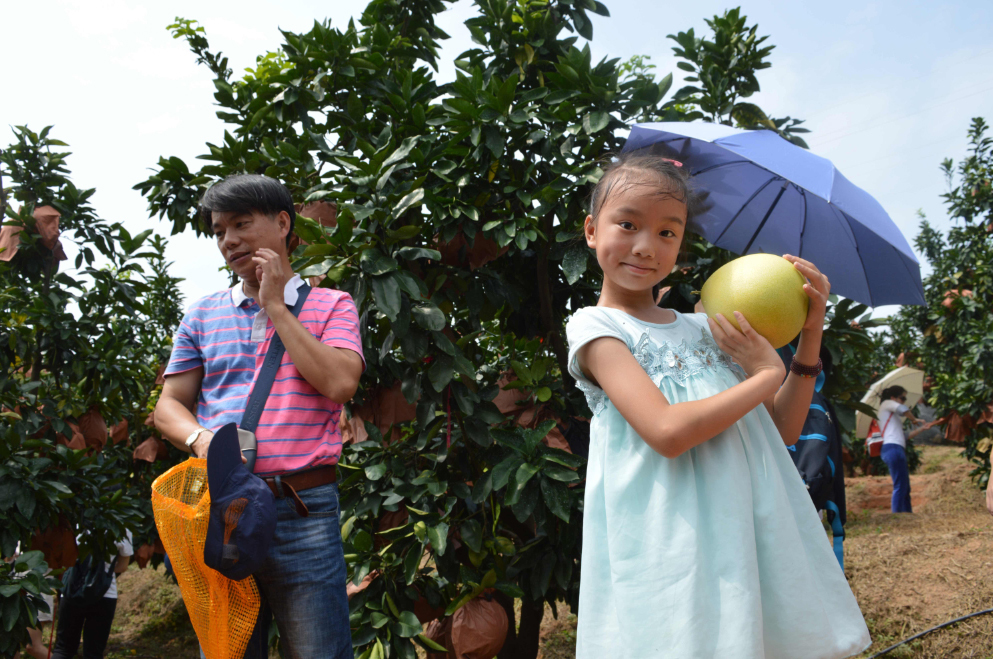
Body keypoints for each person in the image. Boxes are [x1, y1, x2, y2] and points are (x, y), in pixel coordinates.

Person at [565, 152, 870, 658]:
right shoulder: (596, 329)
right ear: (593, 230)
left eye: (668, 232)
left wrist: (809, 335)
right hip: (671, 532)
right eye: (628, 224)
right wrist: (767, 372)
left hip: (742, 527)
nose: (646, 246)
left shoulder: (709, 326)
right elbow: (666, 431)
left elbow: (781, 431)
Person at [154, 174, 364, 659]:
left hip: (303, 510)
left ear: (283, 223)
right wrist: (202, 440)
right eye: (219, 231)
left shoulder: (333, 305)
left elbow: (339, 383)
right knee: (229, 652)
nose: (229, 240)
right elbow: (168, 407)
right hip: (226, 510)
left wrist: (276, 305)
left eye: (242, 224)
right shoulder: (201, 316)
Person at [50, 531, 132, 659]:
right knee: (94, 653)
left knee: (63, 650)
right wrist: (101, 575)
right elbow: (123, 566)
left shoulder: (77, 515)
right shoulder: (122, 521)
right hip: (104, 593)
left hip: (72, 589)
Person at [877, 385, 936, 513]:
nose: (904, 401)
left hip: (896, 447)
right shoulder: (887, 403)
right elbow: (903, 409)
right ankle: (897, 515)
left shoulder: (891, 416)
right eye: (902, 397)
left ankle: (906, 514)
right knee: (900, 485)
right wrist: (914, 420)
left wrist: (921, 429)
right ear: (893, 397)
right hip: (892, 448)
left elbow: (904, 437)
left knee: (905, 486)